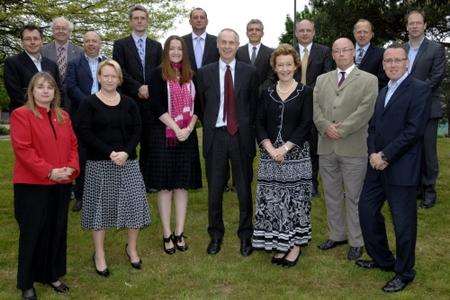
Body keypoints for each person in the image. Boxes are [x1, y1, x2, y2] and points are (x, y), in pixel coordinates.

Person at [357, 43, 430, 293]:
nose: (392, 64)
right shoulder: (383, 90)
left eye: (398, 60)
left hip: (402, 167)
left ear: (407, 63)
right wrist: (373, 154)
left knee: (403, 224)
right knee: (366, 211)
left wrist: (386, 155)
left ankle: (405, 271)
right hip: (376, 166)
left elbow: (414, 130)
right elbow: (373, 129)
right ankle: (383, 260)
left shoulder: (419, 89)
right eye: (388, 60)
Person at [78, 59, 151, 276]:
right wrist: (110, 153)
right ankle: (99, 254)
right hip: (99, 163)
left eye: (114, 76)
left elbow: (137, 129)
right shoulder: (88, 103)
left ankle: (132, 248)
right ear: (99, 77)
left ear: (119, 79)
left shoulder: (130, 103)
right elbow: (84, 132)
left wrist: (126, 152)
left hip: (127, 162)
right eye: (105, 75)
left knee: (134, 207)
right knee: (100, 210)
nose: (110, 79)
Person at [10, 72, 79, 299]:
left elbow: (72, 145)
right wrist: (49, 171)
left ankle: (52, 274)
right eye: (40, 86)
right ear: (32, 91)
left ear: (55, 92)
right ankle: (26, 282)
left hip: (60, 183)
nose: (46, 90)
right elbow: (23, 150)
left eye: (50, 87)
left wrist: (70, 169)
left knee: (56, 231)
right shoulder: (21, 115)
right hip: (32, 185)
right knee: (32, 234)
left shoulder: (63, 116)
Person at [313, 37, 378, 261]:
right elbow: (316, 108)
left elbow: (365, 110)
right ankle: (337, 234)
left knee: (354, 196)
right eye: (337, 51)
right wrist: (324, 126)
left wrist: (341, 130)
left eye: (346, 50)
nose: (341, 54)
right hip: (326, 146)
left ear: (354, 53)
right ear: (332, 54)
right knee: (330, 194)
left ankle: (357, 240)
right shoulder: (322, 80)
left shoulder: (369, 80)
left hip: (353, 147)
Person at [197, 28, 259, 257]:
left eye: (231, 42)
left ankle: (246, 235)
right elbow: (202, 104)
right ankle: (215, 234)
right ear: (217, 45)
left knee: (244, 189)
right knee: (214, 190)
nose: (226, 46)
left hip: (241, 137)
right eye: (223, 42)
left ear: (237, 44)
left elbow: (253, 106)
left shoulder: (250, 72)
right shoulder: (205, 72)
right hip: (216, 136)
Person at [252, 44, 313, 267]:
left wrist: (284, 149)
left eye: (289, 64)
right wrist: (270, 149)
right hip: (269, 156)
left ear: (296, 65)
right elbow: (258, 122)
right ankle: (280, 243)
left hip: (296, 156)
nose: (285, 69)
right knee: (273, 202)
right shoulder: (266, 92)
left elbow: (306, 124)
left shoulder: (306, 92)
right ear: (274, 67)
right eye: (280, 65)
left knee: (295, 201)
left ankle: (295, 245)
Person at [145, 36, 202, 254]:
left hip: (186, 137)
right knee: (166, 186)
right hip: (164, 136)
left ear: (184, 52)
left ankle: (179, 232)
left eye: (179, 48)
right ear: (166, 51)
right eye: (172, 48)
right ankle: (167, 233)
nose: (176, 52)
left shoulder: (190, 75)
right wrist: (176, 128)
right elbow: (156, 106)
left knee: (181, 185)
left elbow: (199, 105)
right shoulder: (156, 74)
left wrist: (188, 129)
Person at [113, 5, 163, 179]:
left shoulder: (156, 46)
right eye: (136, 18)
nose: (140, 21)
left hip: (151, 101)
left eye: (143, 18)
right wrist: (138, 87)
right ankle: (128, 177)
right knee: (129, 139)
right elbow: (120, 71)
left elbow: (160, 71)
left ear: (147, 21)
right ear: (130, 22)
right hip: (129, 99)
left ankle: (147, 179)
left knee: (150, 141)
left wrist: (149, 87)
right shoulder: (120, 45)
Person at [404, 10, 447, 208]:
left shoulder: (435, 49)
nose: (414, 26)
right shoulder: (402, 49)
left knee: (428, 152)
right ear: (407, 27)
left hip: (428, 108)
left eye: (418, 23)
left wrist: (415, 96)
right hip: (406, 110)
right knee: (412, 151)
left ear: (424, 25)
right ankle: (417, 189)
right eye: (411, 23)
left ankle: (429, 190)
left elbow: (437, 77)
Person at [65, 31, 107, 212]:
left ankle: (105, 193)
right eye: (87, 41)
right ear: (83, 44)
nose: (91, 44)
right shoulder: (74, 64)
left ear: (100, 43)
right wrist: (90, 103)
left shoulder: (107, 64)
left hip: (105, 115)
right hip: (82, 115)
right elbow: (70, 87)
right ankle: (81, 195)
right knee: (82, 156)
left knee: (104, 154)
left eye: (94, 41)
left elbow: (115, 84)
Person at [294, 19, 334, 197]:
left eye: (308, 30)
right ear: (296, 33)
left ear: (313, 32)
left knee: (313, 146)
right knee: (293, 143)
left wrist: (305, 92)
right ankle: (294, 180)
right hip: (292, 104)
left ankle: (312, 183)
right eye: (301, 30)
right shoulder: (289, 51)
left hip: (315, 104)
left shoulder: (324, 51)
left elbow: (326, 77)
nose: (304, 33)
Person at [4, 24, 61, 112]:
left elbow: (58, 90)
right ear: (22, 42)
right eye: (28, 39)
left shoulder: (52, 65)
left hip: (50, 113)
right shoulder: (12, 62)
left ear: (42, 41)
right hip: (24, 114)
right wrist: (38, 109)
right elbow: (15, 93)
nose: (32, 42)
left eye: (36, 38)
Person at [236, 19, 274, 92]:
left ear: (262, 33)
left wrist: (260, 91)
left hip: (263, 96)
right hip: (241, 95)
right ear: (247, 33)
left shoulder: (271, 53)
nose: (254, 32)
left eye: (257, 30)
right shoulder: (238, 52)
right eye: (251, 30)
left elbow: (271, 77)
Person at [41, 16, 83, 82]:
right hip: (50, 90)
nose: (60, 31)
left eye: (64, 28)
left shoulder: (80, 52)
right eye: (57, 28)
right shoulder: (42, 50)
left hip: (72, 91)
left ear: (69, 32)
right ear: (53, 31)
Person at [182, 8, 220, 73]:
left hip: (210, 81)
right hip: (187, 81)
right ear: (190, 21)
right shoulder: (181, 41)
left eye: (202, 17)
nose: (199, 20)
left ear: (207, 21)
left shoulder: (217, 41)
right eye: (195, 17)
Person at [353, 19, 388, 89]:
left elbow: (383, 81)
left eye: (365, 32)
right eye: (359, 32)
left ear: (372, 34)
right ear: (354, 33)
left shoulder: (381, 53)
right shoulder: (345, 51)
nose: (362, 35)